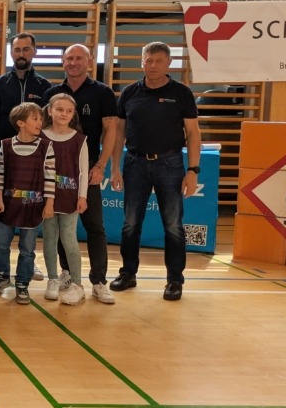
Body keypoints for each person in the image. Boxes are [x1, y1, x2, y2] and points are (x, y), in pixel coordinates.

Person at [110, 41, 201, 302]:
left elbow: (193, 133)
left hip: (170, 164)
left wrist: (193, 170)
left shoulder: (181, 93)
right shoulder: (129, 93)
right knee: (130, 223)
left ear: (169, 63)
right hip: (135, 163)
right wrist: (115, 168)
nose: (152, 66)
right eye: (148, 60)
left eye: (158, 61)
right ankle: (128, 273)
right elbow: (119, 133)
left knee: (173, 225)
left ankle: (174, 281)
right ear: (142, 61)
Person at [43, 44, 118, 301]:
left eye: (79, 58)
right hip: (56, 173)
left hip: (88, 168)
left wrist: (100, 166)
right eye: (69, 58)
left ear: (90, 61)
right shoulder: (52, 93)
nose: (74, 62)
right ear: (63, 62)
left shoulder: (103, 92)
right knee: (60, 227)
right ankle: (66, 273)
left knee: (94, 225)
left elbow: (111, 130)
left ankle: (99, 281)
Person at [0, 33, 52, 280]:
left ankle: (29, 261)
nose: (21, 54)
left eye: (25, 49)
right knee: (1, 207)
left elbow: (47, 123)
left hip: (33, 161)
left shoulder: (44, 86)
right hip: (5, 156)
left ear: (34, 51)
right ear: (11, 53)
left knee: (30, 207)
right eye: (17, 50)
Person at [0, 102, 55, 305]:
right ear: (21, 123)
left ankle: (23, 283)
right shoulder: (6, 145)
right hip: (8, 205)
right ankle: (2, 276)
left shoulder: (46, 146)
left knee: (27, 248)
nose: (40, 122)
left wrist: (49, 203)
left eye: (41, 118)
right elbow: (0, 175)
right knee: (1, 245)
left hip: (33, 207)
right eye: (35, 118)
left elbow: (50, 177)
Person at [40, 95, 91, 305]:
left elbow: (83, 171)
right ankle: (52, 279)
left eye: (69, 111)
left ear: (73, 114)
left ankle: (77, 285)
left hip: (70, 196)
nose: (64, 114)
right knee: (49, 238)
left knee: (69, 239)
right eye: (59, 109)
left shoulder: (79, 139)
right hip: (46, 198)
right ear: (50, 110)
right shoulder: (40, 136)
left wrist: (82, 196)